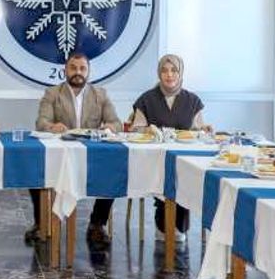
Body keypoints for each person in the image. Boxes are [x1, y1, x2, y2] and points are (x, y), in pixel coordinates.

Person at [34, 52, 122, 246]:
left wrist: (108, 127)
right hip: (61, 155)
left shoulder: (100, 94)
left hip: (92, 156)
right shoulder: (52, 93)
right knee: (34, 168)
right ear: (65, 70)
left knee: (112, 172)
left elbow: (116, 123)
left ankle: (97, 224)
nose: (78, 72)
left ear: (89, 71)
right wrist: (51, 126)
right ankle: (41, 223)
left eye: (82, 68)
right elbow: (41, 122)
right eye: (73, 68)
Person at [128, 54, 208, 241]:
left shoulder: (192, 101)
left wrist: (205, 130)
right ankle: (163, 224)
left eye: (174, 70)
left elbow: (198, 130)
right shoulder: (146, 99)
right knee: (165, 176)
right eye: (164, 70)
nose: (169, 75)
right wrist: (147, 129)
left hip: (185, 159)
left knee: (184, 177)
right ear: (159, 73)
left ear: (181, 73)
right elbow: (135, 129)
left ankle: (179, 224)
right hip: (153, 160)